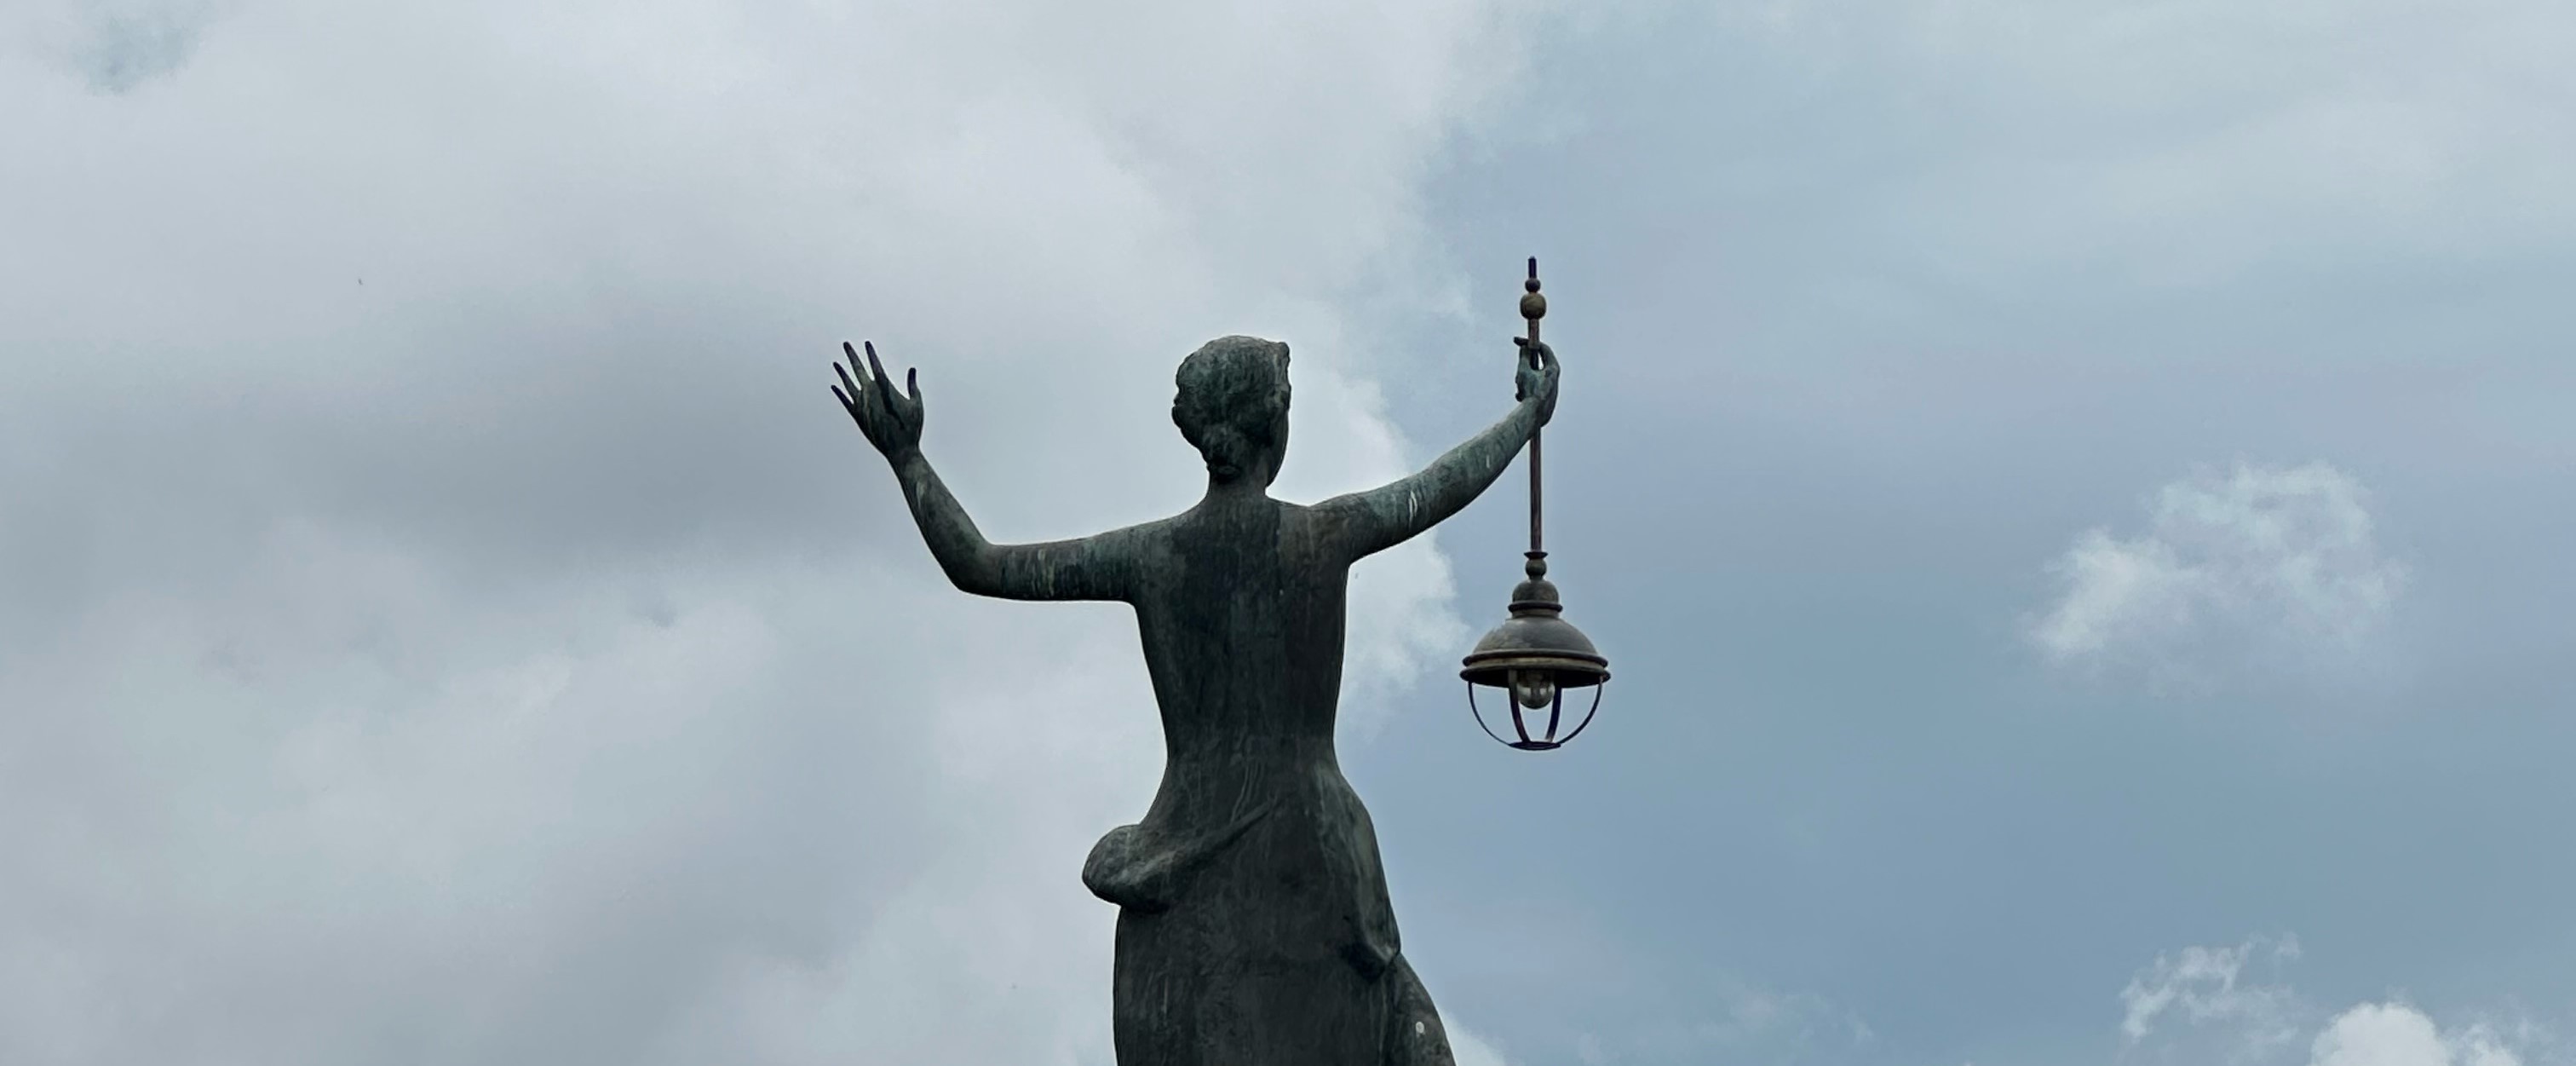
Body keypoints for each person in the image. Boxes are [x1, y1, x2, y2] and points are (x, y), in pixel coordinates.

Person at [833, 331, 1559, 1064]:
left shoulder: (1149, 556)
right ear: (1275, 424)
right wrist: (1527, 416)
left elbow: (980, 564)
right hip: (1312, 855)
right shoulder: (1324, 534)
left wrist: (907, 458)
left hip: (1182, 858)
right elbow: (1441, 485)